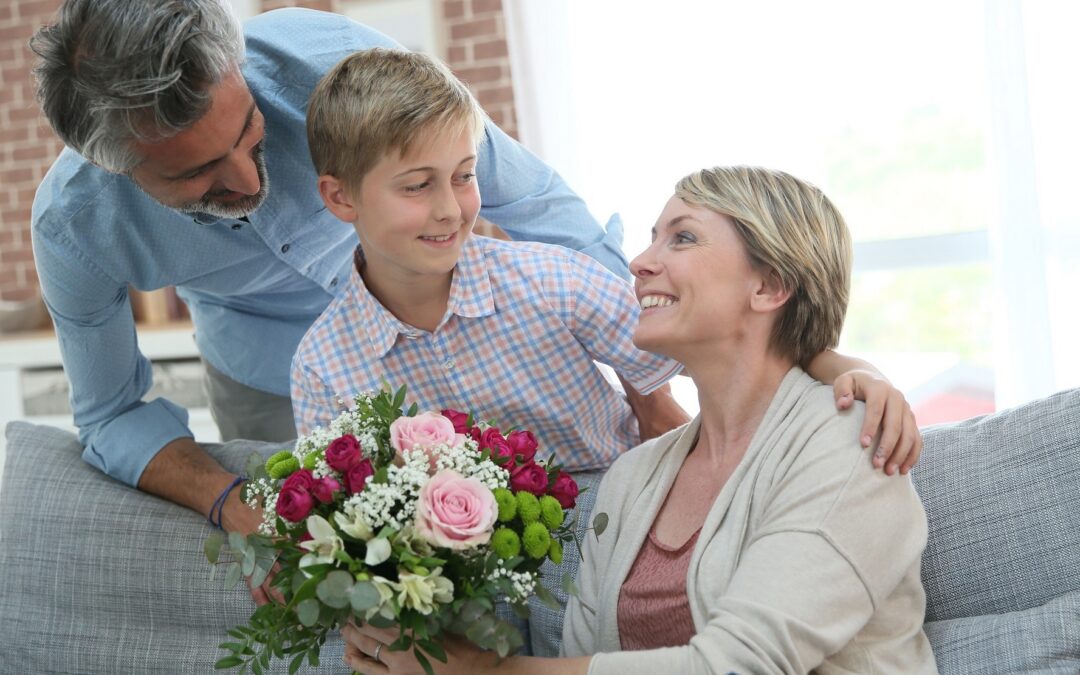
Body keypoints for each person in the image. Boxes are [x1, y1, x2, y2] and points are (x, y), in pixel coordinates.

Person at [304, 50, 924, 662]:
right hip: (457, 578)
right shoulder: (638, 483)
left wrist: (850, 371)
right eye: (417, 185)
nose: (637, 261)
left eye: (465, 176)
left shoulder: (844, 446)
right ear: (340, 197)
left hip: (578, 517)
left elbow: (761, 342)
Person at [27, 0, 642, 565]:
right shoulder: (75, 228)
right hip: (261, 373)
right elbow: (110, 415)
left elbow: (535, 202)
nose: (246, 183)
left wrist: (646, 376)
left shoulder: (332, 60)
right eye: (199, 172)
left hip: (439, 329)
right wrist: (233, 503)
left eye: (248, 130)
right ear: (114, 165)